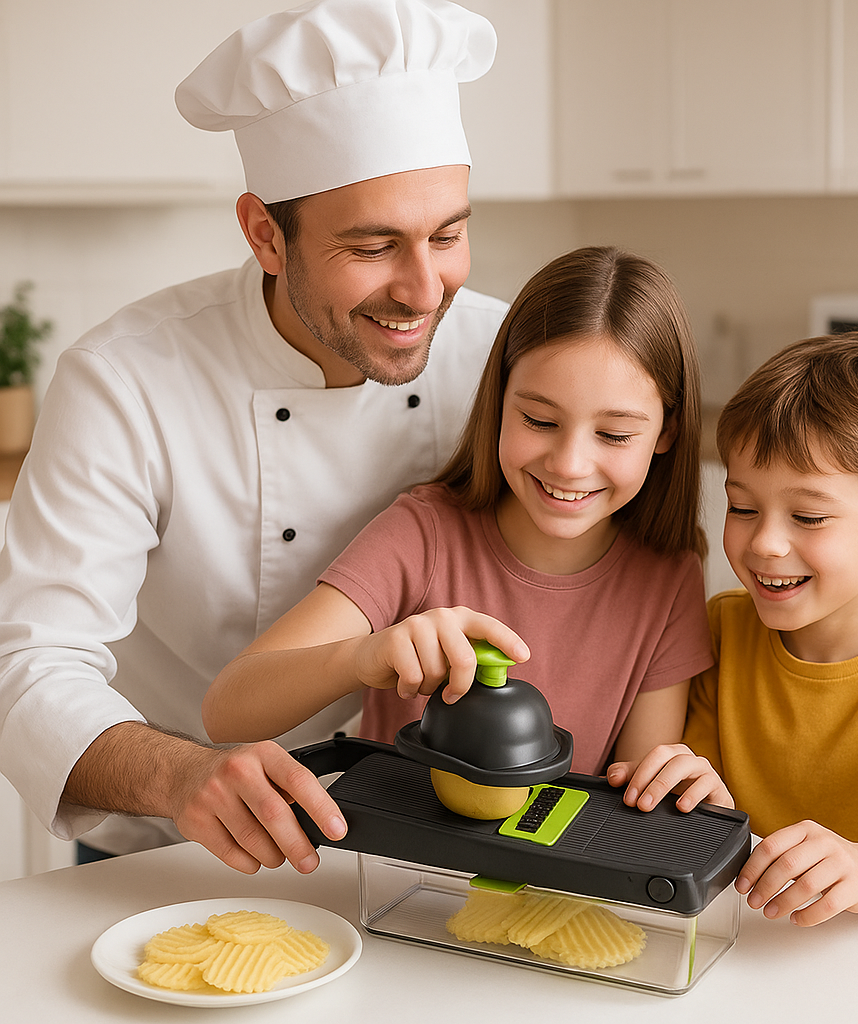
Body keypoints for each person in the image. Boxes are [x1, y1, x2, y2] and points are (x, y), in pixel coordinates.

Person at [0, 0, 508, 875]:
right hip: (166, 842)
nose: (424, 290)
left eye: (448, 234)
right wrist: (181, 778)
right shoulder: (126, 380)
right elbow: (28, 666)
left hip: (422, 840)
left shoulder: (505, 360)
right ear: (265, 234)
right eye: (375, 245)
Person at [204, 246, 714, 775]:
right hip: (390, 860)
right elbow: (227, 712)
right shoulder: (423, 536)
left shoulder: (670, 578)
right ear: (499, 402)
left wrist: (667, 784)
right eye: (539, 421)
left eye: (613, 434)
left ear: (666, 433)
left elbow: (629, 800)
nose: (569, 465)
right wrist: (365, 656)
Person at [608, 331, 858, 926]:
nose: (764, 544)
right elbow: (696, 818)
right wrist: (698, 803)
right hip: (746, 944)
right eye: (742, 507)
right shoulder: (721, 628)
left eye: (808, 517)